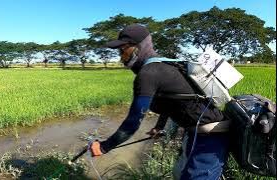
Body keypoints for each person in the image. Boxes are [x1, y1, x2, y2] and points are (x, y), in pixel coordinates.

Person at [89, 24, 231, 180]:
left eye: (123, 50)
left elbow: (133, 122)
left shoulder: (148, 74)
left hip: (209, 137)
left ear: (139, 47)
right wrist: (159, 127)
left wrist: (104, 146)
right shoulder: (164, 65)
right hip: (199, 132)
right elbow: (172, 101)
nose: (121, 56)